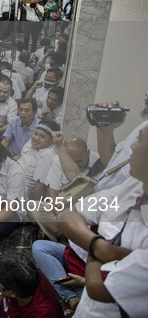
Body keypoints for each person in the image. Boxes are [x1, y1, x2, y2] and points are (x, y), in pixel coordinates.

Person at [56, 123, 148, 318]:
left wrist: (93, 243)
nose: (132, 146)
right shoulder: (133, 186)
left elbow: (99, 288)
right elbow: (66, 214)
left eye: (139, 140)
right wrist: (103, 249)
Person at [17, 119, 60, 199]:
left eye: (42, 136)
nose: (36, 138)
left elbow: (39, 189)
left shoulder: (47, 155)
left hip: (20, 194)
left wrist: (30, 209)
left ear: (52, 140)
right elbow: (22, 155)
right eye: (35, 133)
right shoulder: (34, 141)